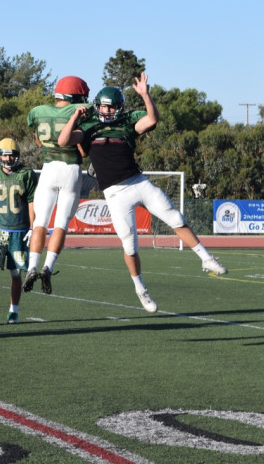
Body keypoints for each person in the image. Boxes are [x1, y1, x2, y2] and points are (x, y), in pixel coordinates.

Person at [57, 73, 227, 313]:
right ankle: (140, 288)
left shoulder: (127, 123)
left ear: (119, 107)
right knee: (130, 244)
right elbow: (63, 141)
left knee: (175, 217)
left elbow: (152, 119)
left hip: (138, 182)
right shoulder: (89, 126)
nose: (108, 111)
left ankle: (206, 258)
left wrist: (146, 95)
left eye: (112, 107)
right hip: (115, 193)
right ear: (98, 106)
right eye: (104, 106)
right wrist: (75, 116)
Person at [22, 75, 91, 295]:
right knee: (60, 224)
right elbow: (83, 150)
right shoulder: (80, 110)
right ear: (78, 96)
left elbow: (38, 141)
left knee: (40, 223)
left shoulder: (38, 112)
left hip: (48, 168)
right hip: (70, 170)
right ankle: (47, 268)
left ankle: (31, 267)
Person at [0, 138, 37, 325]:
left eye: (11, 155)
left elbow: (32, 203)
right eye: (4, 155)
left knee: (16, 273)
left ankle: (13, 311)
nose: (8, 158)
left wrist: (33, 227)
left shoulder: (26, 174)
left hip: (19, 231)